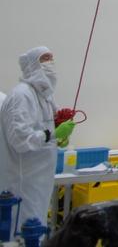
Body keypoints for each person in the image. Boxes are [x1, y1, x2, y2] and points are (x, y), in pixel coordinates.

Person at [0, 48, 74, 229]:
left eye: (52, 58)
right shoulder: (21, 95)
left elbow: (44, 132)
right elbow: (20, 140)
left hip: (39, 182)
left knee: (36, 229)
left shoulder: (45, 97)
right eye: (45, 59)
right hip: (21, 183)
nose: (51, 64)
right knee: (21, 233)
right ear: (33, 65)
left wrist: (58, 132)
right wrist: (53, 134)